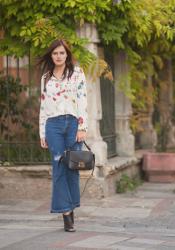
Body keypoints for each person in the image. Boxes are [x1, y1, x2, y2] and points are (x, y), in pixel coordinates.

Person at [38, 39, 88, 232]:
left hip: (73, 124)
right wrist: (42, 131)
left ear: (67, 54)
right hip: (54, 126)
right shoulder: (46, 77)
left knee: (72, 167)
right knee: (58, 167)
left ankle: (71, 205)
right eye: (55, 53)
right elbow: (43, 106)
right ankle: (66, 214)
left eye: (62, 53)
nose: (58, 56)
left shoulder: (77, 73)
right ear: (51, 56)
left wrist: (82, 127)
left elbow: (83, 100)